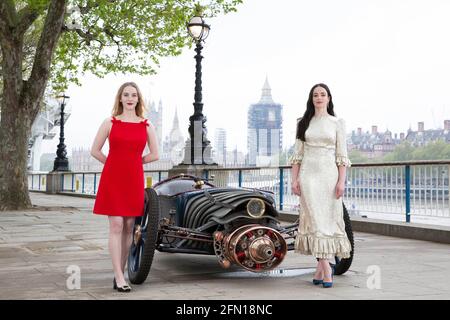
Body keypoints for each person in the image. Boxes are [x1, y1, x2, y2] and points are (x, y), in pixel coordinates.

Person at [91, 82, 159, 292]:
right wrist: (113, 164)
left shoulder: (147, 125)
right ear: (120, 98)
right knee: (116, 225)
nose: (130, 98)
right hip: (113, 179)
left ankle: (118, 272)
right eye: (126, 95)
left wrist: (136, 162)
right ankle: (120, 277)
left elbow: (155, 154)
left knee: (130, 226)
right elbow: (95, 150)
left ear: (138, 99)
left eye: (134, 95)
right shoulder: (109, 122)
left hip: (133, 179)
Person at [289, 83, 352, 288]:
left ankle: (318, 271)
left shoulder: (337, 123)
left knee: (328, 222)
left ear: (329, 98)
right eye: (315, 95)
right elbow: (297, 156)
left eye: (322, 94)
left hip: (329, 176)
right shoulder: (303, 122)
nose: (319, 97)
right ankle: (327, 269)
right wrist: (294, 179)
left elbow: (342, 157)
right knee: (315, 221)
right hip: (308, 176)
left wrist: (342, 181)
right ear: (311, 99)